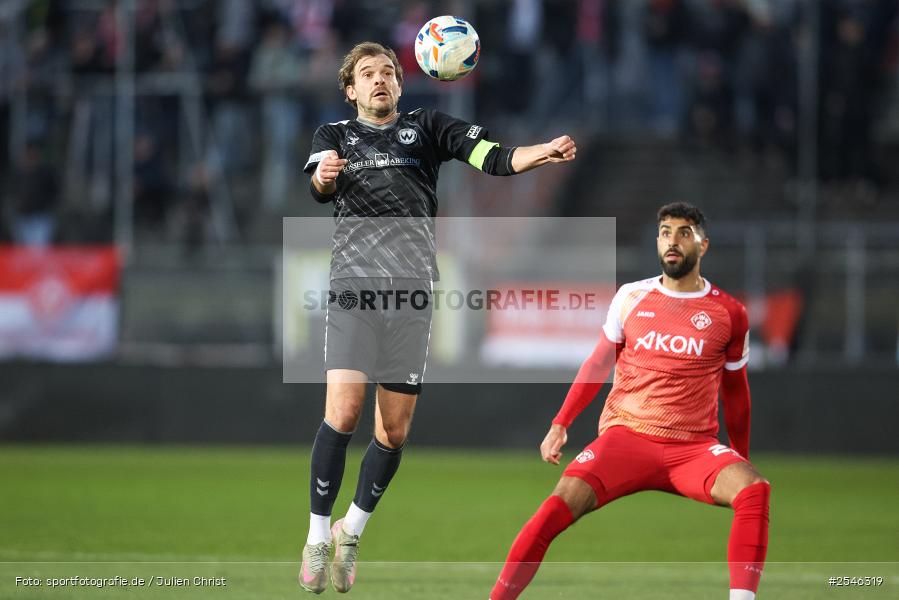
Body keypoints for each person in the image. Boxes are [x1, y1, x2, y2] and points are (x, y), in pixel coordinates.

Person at [299, 41, 577, 594]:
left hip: (411, 299)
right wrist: (325, 175)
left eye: (388, 73)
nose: (379, 80)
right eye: (367, 74)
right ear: (350, 90)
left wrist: (539, 152)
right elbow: (316, 185)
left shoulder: (427, 126)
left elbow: (491, 158)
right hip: (355, 291)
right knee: (345, 411)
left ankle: (351, 531)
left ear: (401, 86)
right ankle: (316, 535)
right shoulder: (334, 136)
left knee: (393, 431)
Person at [490, 202, 770, 600]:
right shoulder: (631, 296)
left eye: (684, 233)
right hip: (626, 439)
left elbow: (736, 390)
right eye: (665, 232)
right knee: (554, 508)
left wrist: (739, 454)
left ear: (703, 245)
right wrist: (561, 423)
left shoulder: (729, 313)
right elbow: (599, 361)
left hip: (692, 449)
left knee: (754, 489)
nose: (673, 241)